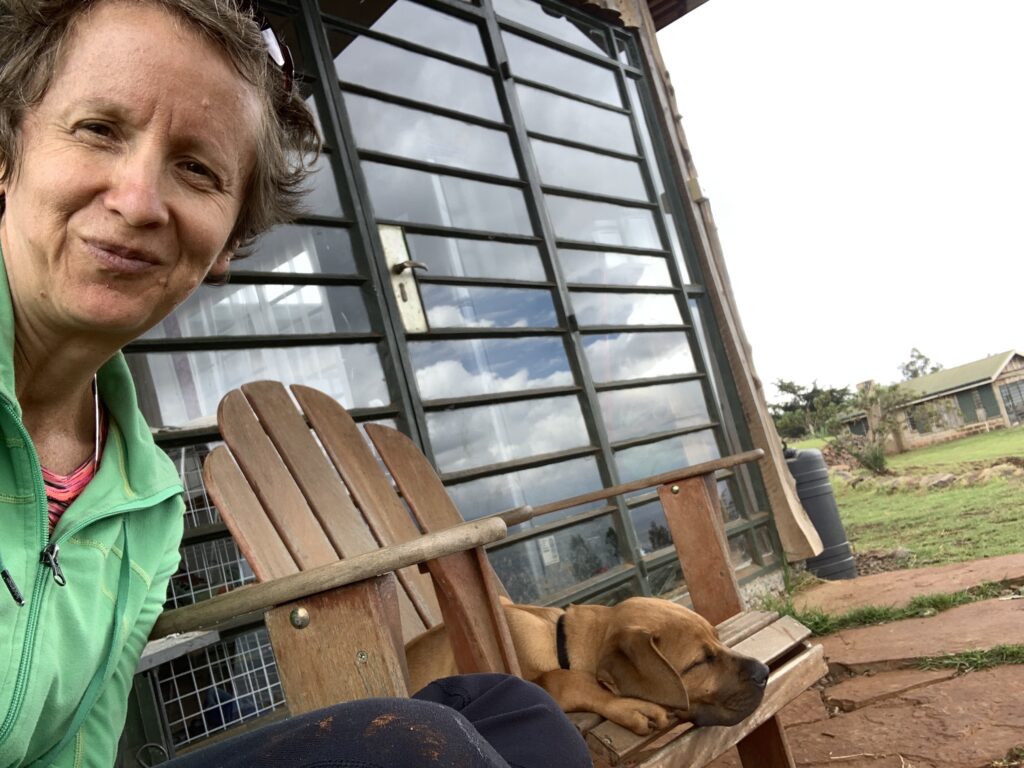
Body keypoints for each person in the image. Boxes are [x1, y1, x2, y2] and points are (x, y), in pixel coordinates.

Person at [0, 1, 592, 767]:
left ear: (228, 243)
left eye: (197, 168)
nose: (139, 200)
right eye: (99, 130)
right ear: (8, 154)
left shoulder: (144, 498)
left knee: (513, 716)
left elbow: (76, 750)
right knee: (425, 750)